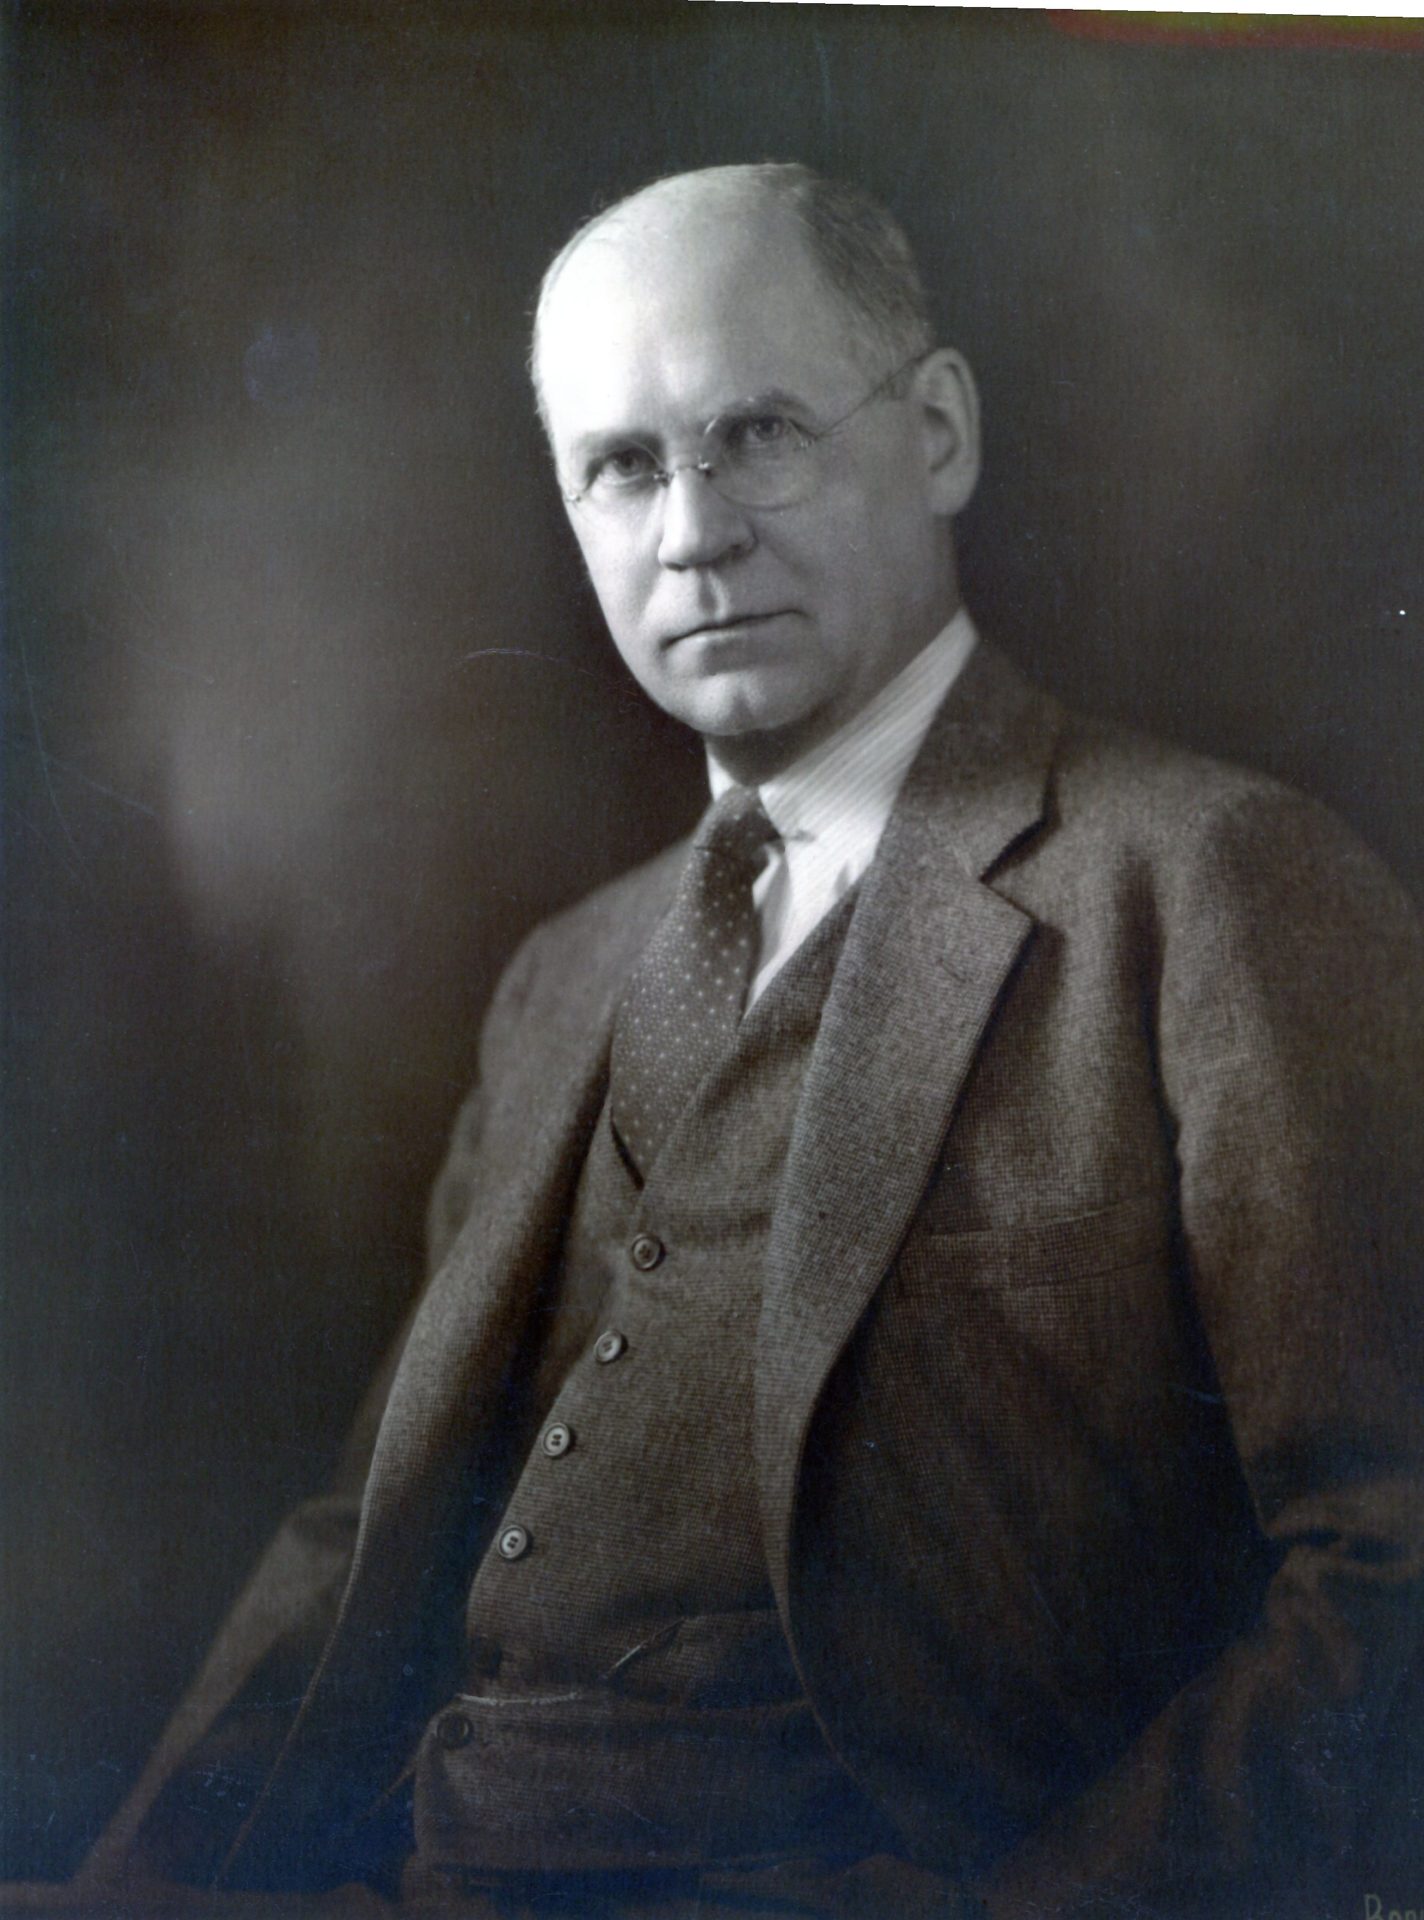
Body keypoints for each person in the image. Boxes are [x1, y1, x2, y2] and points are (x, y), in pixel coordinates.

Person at [68, 164, 1424, 1917]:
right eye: (621, 466)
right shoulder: (566, 975)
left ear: (936, 433)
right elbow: (359, 1550)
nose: (691, 531)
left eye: (757, 432)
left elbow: (1390, 1570)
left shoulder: (1213, 883)